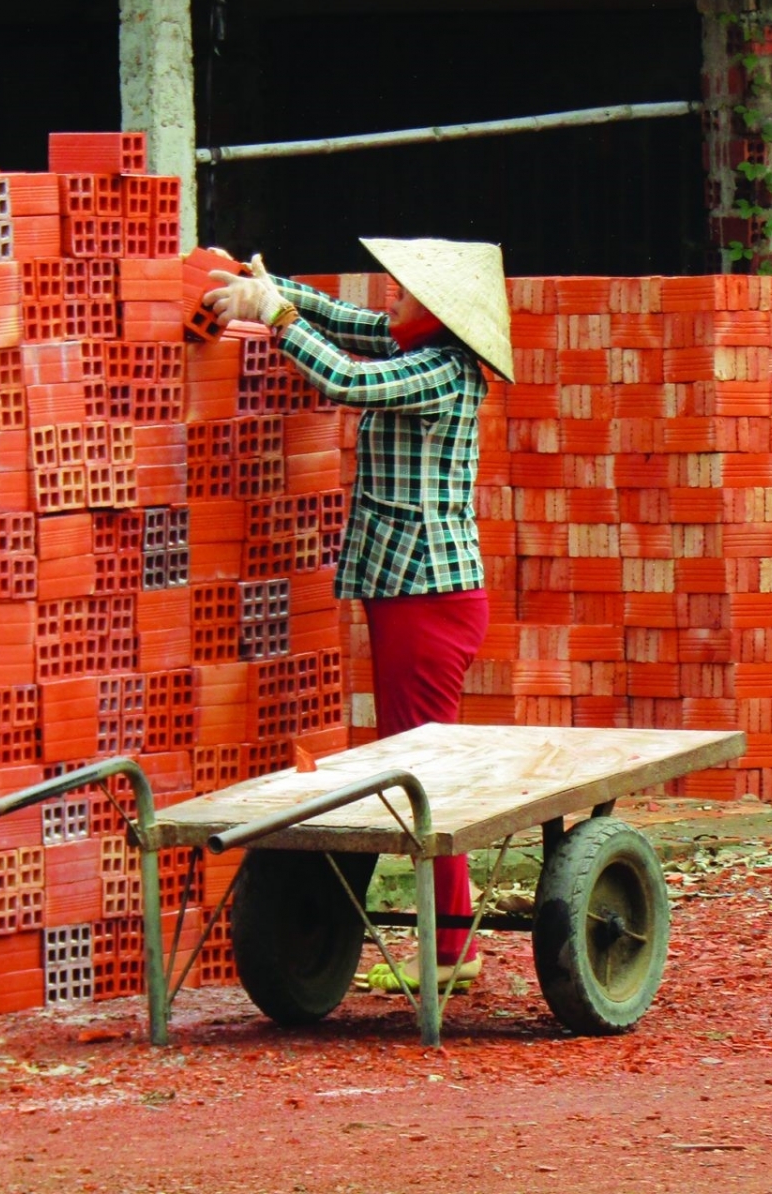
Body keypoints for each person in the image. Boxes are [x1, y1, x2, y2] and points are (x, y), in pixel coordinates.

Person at [203, 238, 514, 991]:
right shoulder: (418, 344)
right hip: (409, 590)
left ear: (436, 315)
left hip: (428, 598)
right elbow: (347, 322)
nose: (390, 303)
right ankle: (452, 946)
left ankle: (452, 950)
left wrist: (274, 317)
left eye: (405, 296)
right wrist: (275, 288)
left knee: (422, 773)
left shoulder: (441, 373)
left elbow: (345, 378)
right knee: (417, 767)